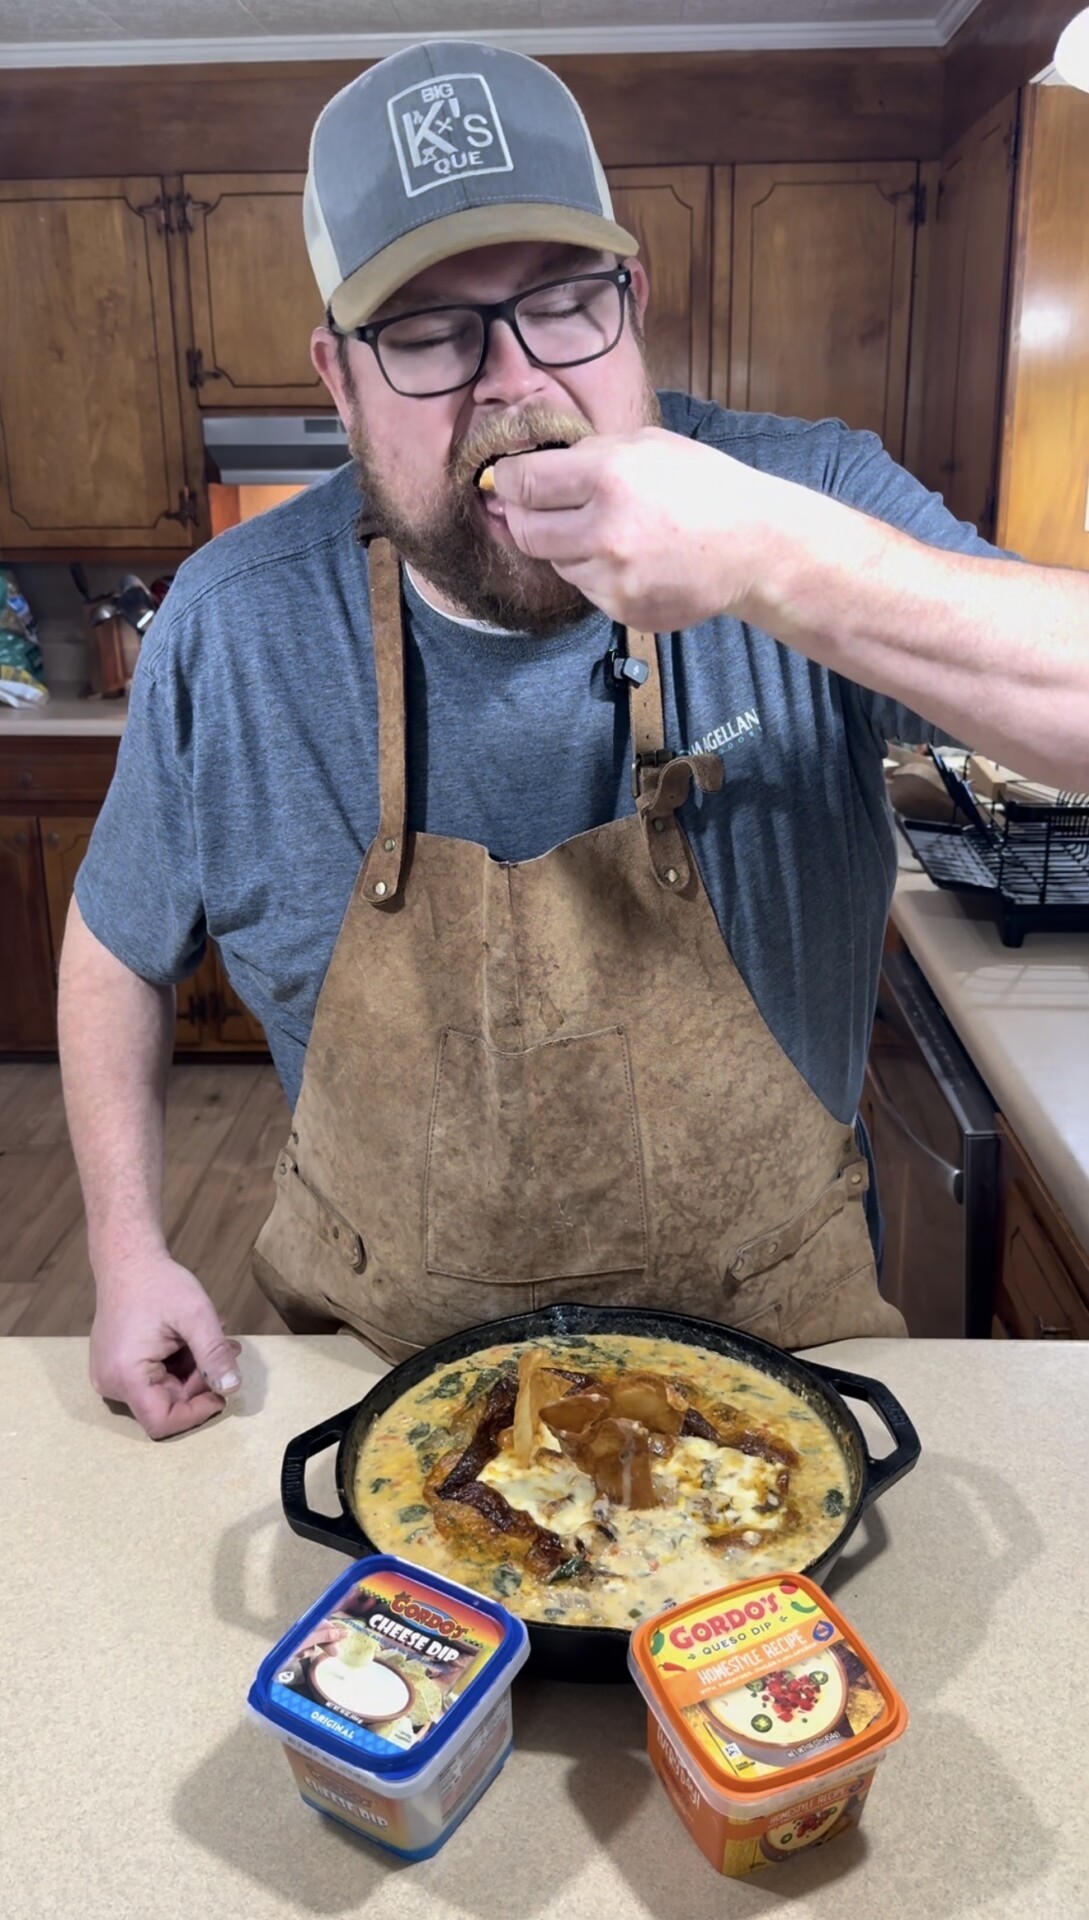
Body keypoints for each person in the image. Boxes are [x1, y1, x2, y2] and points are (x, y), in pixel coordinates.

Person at [58, 42, 1088, 1440]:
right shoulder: (233, 629)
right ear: (338, 379)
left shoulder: (809, 498)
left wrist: (769, 558)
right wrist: (125, 1255)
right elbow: (117, 944)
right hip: (385, 1400)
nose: (512, 380)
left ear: (633, 306)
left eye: (561, 303)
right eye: (425, 333)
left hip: (778, 1389)